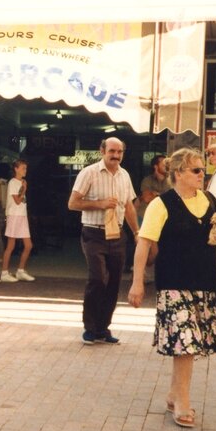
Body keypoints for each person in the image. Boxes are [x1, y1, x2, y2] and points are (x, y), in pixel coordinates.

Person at [128, 148, 216, 430]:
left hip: (203, 282)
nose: (201, 174)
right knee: (185, 341)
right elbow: (144, 243)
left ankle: (174, 394)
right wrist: (138, 283)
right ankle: (183, 400)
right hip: (173, 282)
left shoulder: (210, 200)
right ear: (179, 173)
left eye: (202, 170)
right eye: (196, 170)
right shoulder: (162, 204)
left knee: (190, 343)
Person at [68, 137, 139, 345]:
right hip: (93, 233)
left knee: (114, 282)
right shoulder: (88, 173)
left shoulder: (124, 175)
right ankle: (89, 328)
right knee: (98, 278)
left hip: (117, 234)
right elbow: (72, 203)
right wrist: (101, 204)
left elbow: (129, 207)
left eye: (120, 152)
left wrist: (137, 232)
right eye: (112, 151)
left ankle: (102, 328)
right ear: (102, 151)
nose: (116, 156)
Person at [0, 159, 35, 283]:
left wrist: (24, 187)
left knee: (28, 245)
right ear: (16, 169)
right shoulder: (13, 182)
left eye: (26, 168)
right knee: (11, 245)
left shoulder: (21, 182)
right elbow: (17, 201)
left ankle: (20, 271)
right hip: (14, 215)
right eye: (23, 168)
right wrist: (24, 188)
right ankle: (4, 272)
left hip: (22, 216)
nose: (25, 170)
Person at [137, 154, 171, 222]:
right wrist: (165, 196)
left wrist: (155, 194)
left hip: (165, 216)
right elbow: (147, 199)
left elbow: (172, 199)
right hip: (146, 216)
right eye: (164, 163)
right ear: (156, 166)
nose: (166, 165)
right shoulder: (147, 180)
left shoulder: (171, 181)